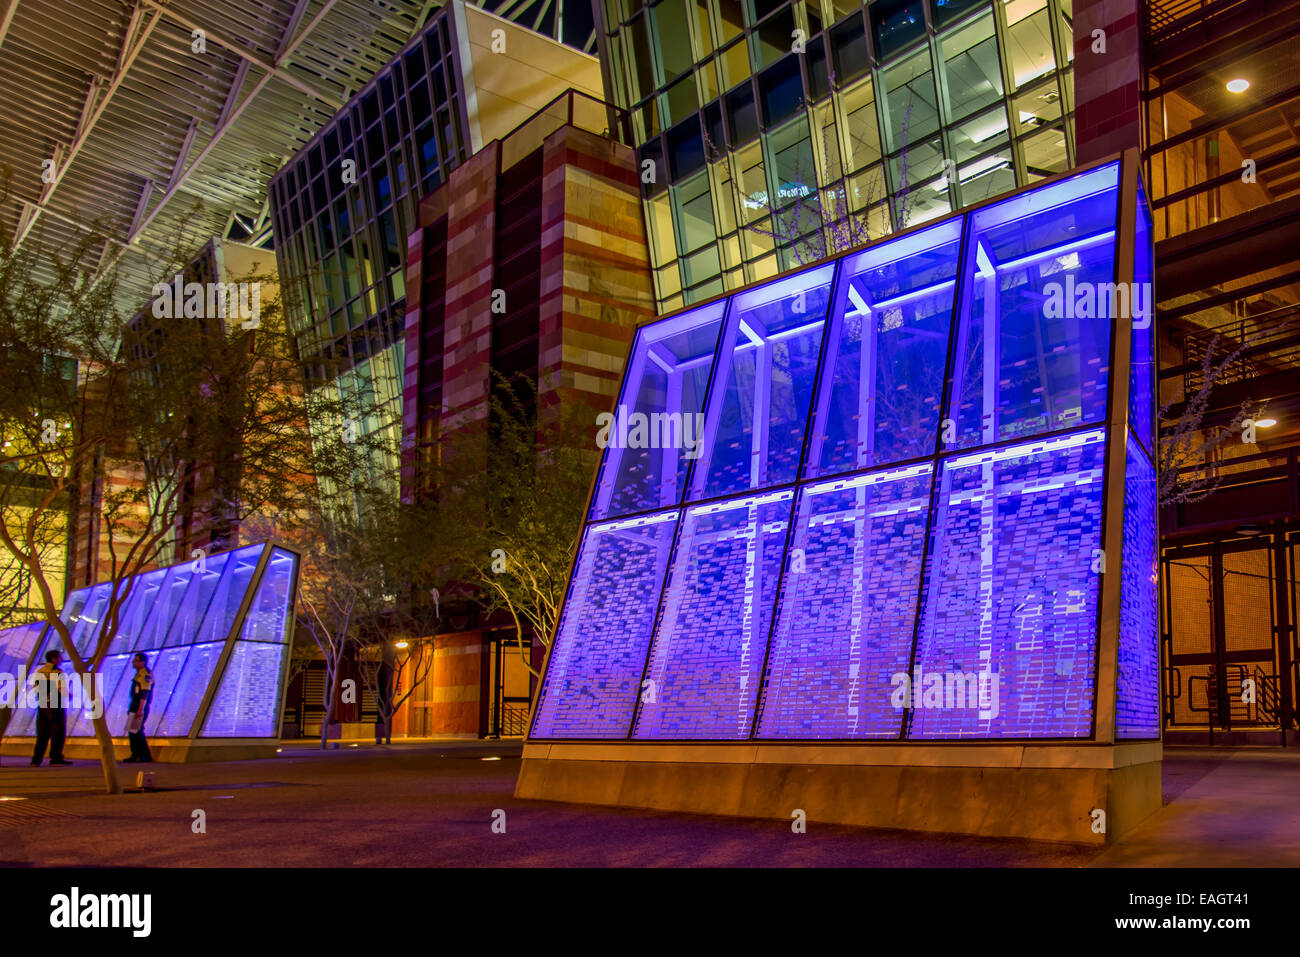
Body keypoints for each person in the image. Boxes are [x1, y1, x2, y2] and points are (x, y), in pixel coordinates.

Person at [30, 649, 71, 766]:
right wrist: (69, 695)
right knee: (58, 732)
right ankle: (56, 758)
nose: (61, 660)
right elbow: (60, 689)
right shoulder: (58, 672)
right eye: (59, 657)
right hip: (56, 705)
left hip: (43, 705)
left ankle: (36, 759)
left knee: (42, 734)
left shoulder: (40, 671)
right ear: (54, 659)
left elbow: (36, 688)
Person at [124, 652, 153, 763]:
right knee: (133, 731)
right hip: (134, 706)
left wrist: (140, 709)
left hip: (139, 707)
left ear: (142, 662)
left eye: (136, 660)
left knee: (137, 731)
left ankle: (144, 755)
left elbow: (144, 693)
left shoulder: (145, 674)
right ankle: (136, 754)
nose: (133, 663)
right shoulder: (138, 674)